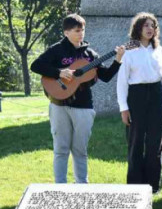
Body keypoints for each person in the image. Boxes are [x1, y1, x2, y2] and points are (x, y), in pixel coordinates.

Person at [31, 13, 125, 184]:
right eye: (77, 30)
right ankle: (60, 186)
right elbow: (36, 65)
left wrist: (118, 60)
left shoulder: (90, 54)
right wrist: (59, 72)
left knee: (80, 149)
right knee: (61, 148)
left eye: (83, 30)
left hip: (84, 106)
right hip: (59, 104)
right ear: (66, 32)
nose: (81, 33)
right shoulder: (56, 50)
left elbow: (105, 76)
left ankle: (82, 185)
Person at [117, 12, 162, 193]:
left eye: (153, 26)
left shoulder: (160, 51)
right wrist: (124, 108)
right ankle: (134, 186)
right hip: (136, 96)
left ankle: (152, 186)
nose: (150, 29)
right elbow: (122, 81)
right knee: (136, 140)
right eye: (146, 25)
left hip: (157, 96)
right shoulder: (129, 51)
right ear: (138, 28)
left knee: (156, 142)